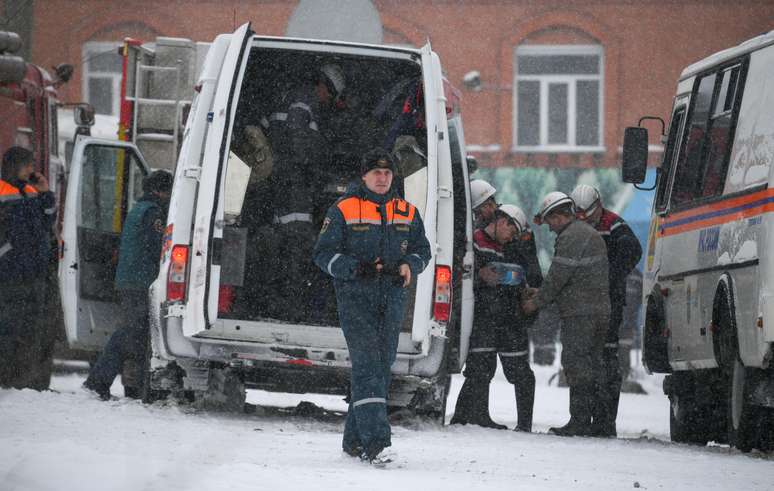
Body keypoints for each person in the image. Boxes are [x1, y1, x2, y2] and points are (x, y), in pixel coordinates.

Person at [313, 149, 431, 464]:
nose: (382, 178)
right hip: (355, 298)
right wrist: (355, 268)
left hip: (392, 298)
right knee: (367, 366)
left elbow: (423, 249)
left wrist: (410, 264)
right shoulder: (343, 209)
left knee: (379, 367)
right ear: (364, 176)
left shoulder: (407, 211)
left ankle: (353, 442)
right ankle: (377, 444)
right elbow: (323, 255)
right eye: (376, 173)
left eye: (387, 173)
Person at [262, 63, 346, 320]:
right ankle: (294, 306)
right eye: (330, 96)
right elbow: (297, 136)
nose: (328, 101)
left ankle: (281, 302)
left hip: (281, 180)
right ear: (324, 86)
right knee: (298, 241)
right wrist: (307, 170)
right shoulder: (304, 100)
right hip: (293, 182)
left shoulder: (287, 96)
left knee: (283, 242)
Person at [522, 191, 610, 437]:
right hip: (596, 310)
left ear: (559, 216)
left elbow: (559, 276)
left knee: (576, 364)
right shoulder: (586, 233)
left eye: (550, 221)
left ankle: (580, 421)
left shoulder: (571, 236)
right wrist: (541, 292)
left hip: (581, 314)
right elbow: (573, 278)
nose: (549, 228)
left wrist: (536, 302)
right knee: (593, 365)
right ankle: (600, 422)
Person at [83, 170, 173, 400]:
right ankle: (97, 381)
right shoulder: (153, 213)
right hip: (139, 281)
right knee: (130, 333)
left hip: (130, 280)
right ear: (161, 191)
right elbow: (158, 248)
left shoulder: (139, 209)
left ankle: (135, 386)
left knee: (137, 335)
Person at [451, 204, 535, 432]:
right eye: (512, 231)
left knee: (504, 369)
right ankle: (469, 416)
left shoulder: (506, 248)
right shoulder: (474, 242)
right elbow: (456, 275)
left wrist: (523, 289)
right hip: (480, 317)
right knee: (481, 367)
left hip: (504, 318)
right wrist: (479, 276)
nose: (512, 238)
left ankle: (476, 416)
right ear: (502, 221)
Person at [571, 184, 642, 437]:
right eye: (580, 214)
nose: (585, 219)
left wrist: (609, 277)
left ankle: (604, 421)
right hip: (583, 303)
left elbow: (633, 251)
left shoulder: (615, 225)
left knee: (605, 362)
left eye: (588, 214)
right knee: (584, 361)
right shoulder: (576, 223)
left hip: (608, 304)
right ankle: (582, 419)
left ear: (598, 205)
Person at [0, 146, 56, 390]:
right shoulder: (3, 190)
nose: (32, 169)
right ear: (15, 166)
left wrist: (46, 194)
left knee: (30, 328)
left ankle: (21, 379)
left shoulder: (32, 191)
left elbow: (47, 220)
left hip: (34, 273)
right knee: (9, 328)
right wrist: (9, 255)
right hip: (10, 273)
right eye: (28, 165)